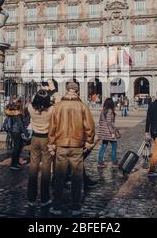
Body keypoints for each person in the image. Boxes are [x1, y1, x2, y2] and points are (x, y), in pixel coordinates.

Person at [48, 82, 95, 216]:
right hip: (77, 146)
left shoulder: (58, 106)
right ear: (77, 91)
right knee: (77, 177)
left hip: (61, 145)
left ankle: (56, 206)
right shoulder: (82, 106)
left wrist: (51, 144)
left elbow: (52, 127)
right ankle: (75, 206)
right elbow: (90, 127)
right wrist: (89, 142)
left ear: (67, 90)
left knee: (59, 177)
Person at [26, 90, 54, 208]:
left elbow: (29, 104)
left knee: (33, 168)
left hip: (35, 138)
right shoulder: (52, 110)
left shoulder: (30, 108)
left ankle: (31, 198)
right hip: (46, 139)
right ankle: (44, 198)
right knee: (46, 169)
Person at [5, 97, 30, 171]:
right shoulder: (16, 113)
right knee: (16, 148)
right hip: (16, 131)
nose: (21, 103)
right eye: (20, 102)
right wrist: (26, 133)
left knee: (18, 147)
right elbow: (20, 124)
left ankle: (16, 162)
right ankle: (13, 164)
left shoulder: (13, 111)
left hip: (15, 131)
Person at [97, 98, 120, 168]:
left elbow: (100, 121)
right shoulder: (109, 111)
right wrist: (112, 132)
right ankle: (114, 162)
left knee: (103, 146)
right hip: (109, 132)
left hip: (104, 132)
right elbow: (109, 122)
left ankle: (100, 162)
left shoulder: (103, 111)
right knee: (114, 146)